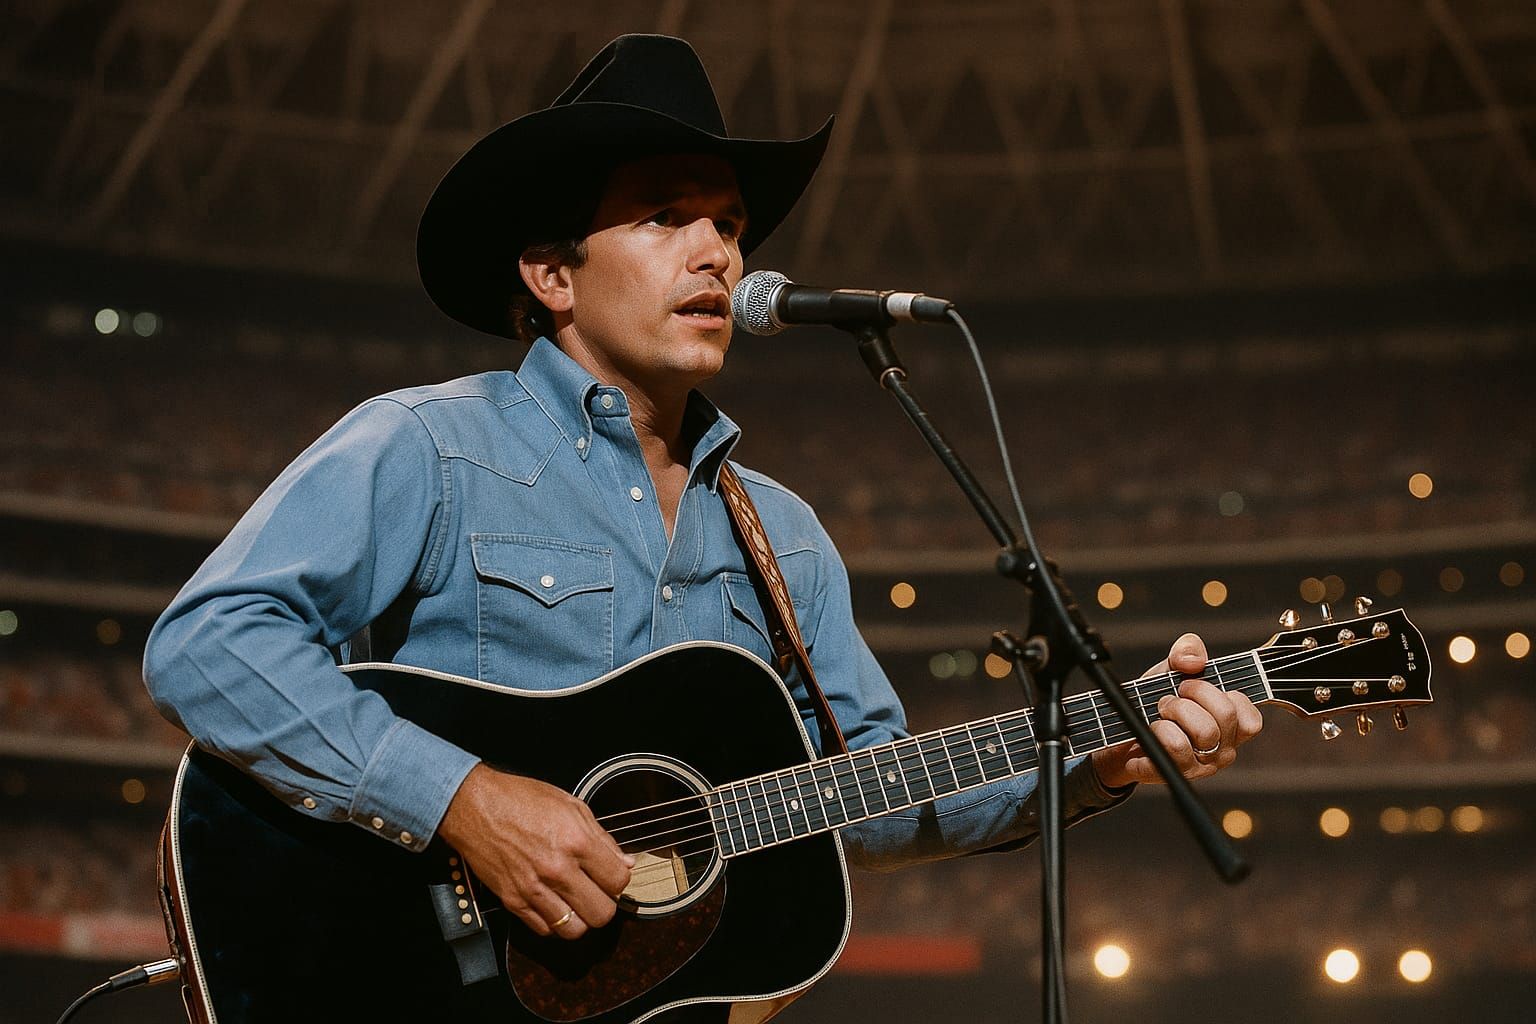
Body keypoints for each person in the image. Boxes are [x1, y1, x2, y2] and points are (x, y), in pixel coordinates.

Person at [143, 34, 1261, 952]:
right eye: (666, 215)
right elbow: (206, 640)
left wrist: (1099, 758)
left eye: (727, 223)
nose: (718, 252)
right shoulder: (427, 447)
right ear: (552, 273)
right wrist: (464, 798)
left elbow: (866, 797)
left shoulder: (787, 536)